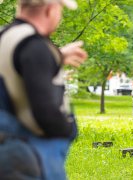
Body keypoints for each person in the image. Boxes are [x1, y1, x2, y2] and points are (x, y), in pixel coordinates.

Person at [0, 0, 88, 179]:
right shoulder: (35, 46)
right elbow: (45, 112)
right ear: (50, 10)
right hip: (31, 154)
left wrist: (58, 56)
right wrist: (69, 128)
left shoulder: (6, 35)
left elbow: (15, 68)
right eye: (60, 9)